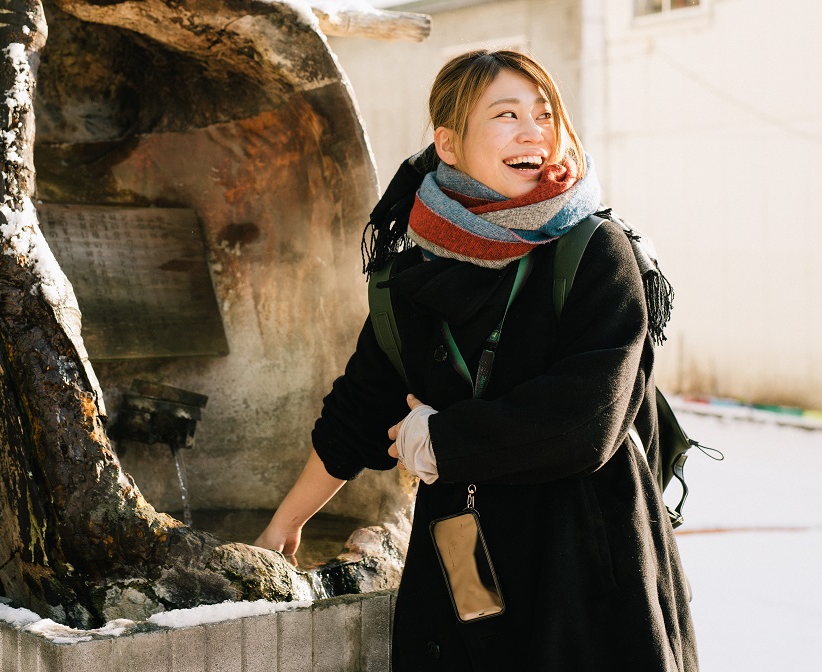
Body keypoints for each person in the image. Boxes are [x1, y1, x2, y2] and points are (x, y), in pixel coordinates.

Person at [255, 49, 698, 671]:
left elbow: (586, 420)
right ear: (449, 143)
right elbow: (360, 408)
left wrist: (440, 438)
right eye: (506, 114)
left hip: (586, 554)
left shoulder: (596, 252)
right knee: (478, 651)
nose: (532, 133)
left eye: (544, 115)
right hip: (462, 540)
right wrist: (285, 525)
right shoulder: (413, 275)